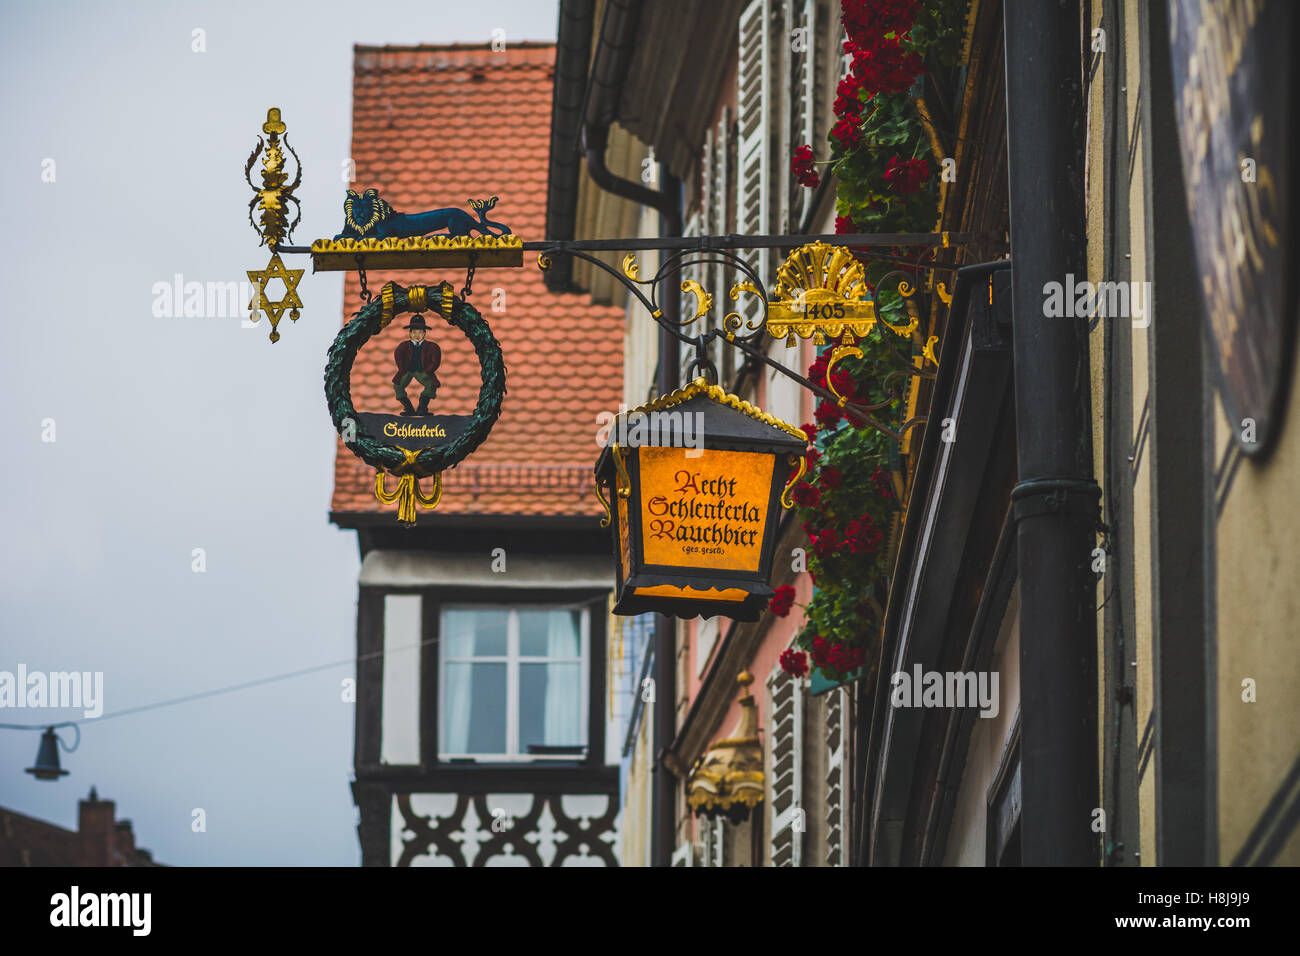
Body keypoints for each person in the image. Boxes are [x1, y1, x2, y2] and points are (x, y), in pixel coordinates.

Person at [392, 315, 441, 416]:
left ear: (424, 334)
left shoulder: (432, 347)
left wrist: (428, 370)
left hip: (423, 371)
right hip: (407, 370)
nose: (417, 335)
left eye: (420, 332)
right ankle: (409, 408)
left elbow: (435, 361)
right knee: (398, 385)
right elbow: (398, 355)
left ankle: (422, 408)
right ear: (410, 333)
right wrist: (402, 369)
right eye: (414, 332)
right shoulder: (404, 346)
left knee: (431, 385)